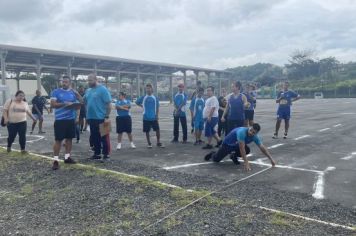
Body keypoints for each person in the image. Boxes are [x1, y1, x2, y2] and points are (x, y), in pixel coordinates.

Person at [204, 123, 276, 171]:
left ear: (256, 133)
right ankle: (213, 154)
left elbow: (262, 148)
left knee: (247, 150)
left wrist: (271, 159)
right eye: (251, 130)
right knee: (216, 160)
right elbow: (242, 149)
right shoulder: (242, 132)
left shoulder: (255, 137)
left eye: (254, 132)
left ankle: (233, 155)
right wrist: (246, 163)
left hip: (236, 146)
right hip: (227, 145)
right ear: (249, 127)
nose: (251, 133)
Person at [50, 76, 83, 170]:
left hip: (70, 120)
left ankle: (67, 157)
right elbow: (53, 105)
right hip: (60, 120)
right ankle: (55, 161)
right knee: (58, 140)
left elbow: (81, 102)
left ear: (70, 83)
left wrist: (77, 95)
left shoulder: (73, 92)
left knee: (69, 139)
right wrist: (65, 103)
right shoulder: (56, 91)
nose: (64, 83)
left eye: (66, 82)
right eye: (63, 82)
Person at [84, 74, 112, 160]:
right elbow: (84, 101)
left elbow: (109, 104)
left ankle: (106, 155)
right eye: (88, 80)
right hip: (91, 118)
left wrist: (107, 116)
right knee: (95, 136)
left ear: (96, 80)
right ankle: (97, 154)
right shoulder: (88, 90)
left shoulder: (103, 89)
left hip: (102, 117)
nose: (89, 82)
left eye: (90, 80)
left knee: (104, 137)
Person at [136, 83, 164, 148]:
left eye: (149, 88)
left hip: (154, 117)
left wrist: (157, 115)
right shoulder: (143, 97)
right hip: (146, 117)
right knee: (147, 131)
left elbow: (157, 107)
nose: (148, 89)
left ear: (152, 89)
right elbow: (137, 102)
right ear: (146, 89)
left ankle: (158, 142)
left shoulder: (155, 98)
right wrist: (142, 106)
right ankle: (149, 143)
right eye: (147, 88)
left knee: (157, 130)